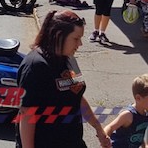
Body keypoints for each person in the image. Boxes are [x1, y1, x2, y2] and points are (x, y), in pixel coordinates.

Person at [17, 10, 110, 148]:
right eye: (76, 39)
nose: (80, 44)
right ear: (59, 36)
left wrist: (98, 128)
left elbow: (77, 96)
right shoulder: (35, 65)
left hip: (72, 142)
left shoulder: (69, 59)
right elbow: (26, 115)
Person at [104, 74, 148, 148]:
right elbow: (110, 127)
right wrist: (105, 140)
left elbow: (141, 135)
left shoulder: (146, 113)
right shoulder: (128, 115)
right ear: (138, 98)